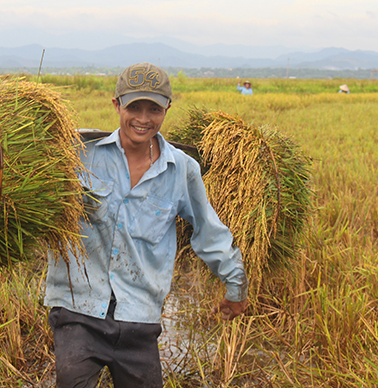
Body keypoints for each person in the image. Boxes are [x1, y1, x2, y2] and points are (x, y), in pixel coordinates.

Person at [44, 62, 249, 388]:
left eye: (153, 108)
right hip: (78, 308)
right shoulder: (79, 155)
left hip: (138, 317)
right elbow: (32, 196)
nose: (143, 118)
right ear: (116, 105)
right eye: (134, 107)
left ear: (167, 108)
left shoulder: (182, 170)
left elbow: (209, 232)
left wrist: (235, 285)